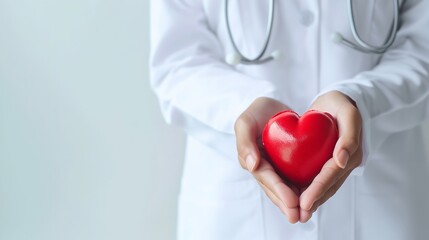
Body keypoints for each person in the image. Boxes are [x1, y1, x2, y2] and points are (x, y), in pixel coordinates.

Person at [150, 0, 429, 239]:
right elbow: (177, 62)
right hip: (234, 212)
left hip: (382, 209)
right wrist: (241, 107)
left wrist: (361, 101)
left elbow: (422, 49)